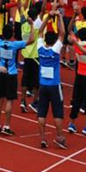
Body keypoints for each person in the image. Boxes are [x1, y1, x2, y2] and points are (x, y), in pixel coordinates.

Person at [0, 20, 30, 135]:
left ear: (2, 34)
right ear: (12, 34)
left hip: (1, 73)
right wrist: (32, 26)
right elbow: (31, 40)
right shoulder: (15, 44)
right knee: (9, 101)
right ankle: (6, 126)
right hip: (11, 74)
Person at [36, 12, 68, 149]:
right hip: (54, 85)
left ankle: (43, 137)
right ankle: (59, 137)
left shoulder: (40, 48)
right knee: (57, 112)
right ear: (54, 41)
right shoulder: (55, 50)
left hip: (42, 85)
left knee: (42, 112)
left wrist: (48, 18)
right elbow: (62, 33)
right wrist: (60, 17)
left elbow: (39, 32)